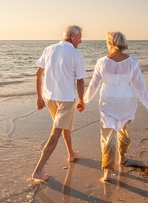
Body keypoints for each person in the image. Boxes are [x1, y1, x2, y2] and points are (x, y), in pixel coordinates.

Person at [83, 31, 148, 181]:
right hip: (126, 103)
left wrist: (84, 102)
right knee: (124, 132)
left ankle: (107, 172)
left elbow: (93, 86)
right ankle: (122, 157)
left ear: (110, 42)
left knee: (108, 137)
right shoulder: (133, 62)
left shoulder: (102, 62)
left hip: (108, 103)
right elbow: (140, 88)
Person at [32, 25, 86, 181]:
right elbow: (80, 81)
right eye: (80, 37)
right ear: (72, 37)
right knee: (55, 133)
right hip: (65, 100)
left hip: (50, 99)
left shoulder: (49, 49)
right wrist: (82, 100)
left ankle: (70, 153)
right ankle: (38, 171)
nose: (81, 41)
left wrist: (39, 97)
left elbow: (38, 74)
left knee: (63, 126)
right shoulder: (76, 54)